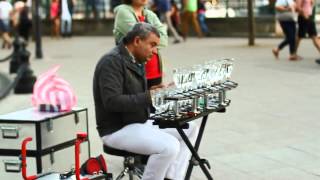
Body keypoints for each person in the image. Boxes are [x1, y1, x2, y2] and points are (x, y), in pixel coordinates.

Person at [93, 22, 198, 180]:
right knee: (169, 146)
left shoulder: (135, 58)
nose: (155, 52)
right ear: (137, 41)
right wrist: (150, 96)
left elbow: (134, 94)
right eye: (152, 45)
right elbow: (112, 101)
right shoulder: (111, 62)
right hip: (116, 129)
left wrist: (157, 90)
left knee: (190, 127)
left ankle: (173, 177)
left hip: (137, 120)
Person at [113, 0, 168, 89]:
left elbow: (164, 39)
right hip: (133, 70)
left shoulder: (149, 14)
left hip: (155, 70)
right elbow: (138, 38)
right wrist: (154, 39)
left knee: (154, 101)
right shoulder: (123, 12)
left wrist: (149, 40)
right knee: (137, 100)